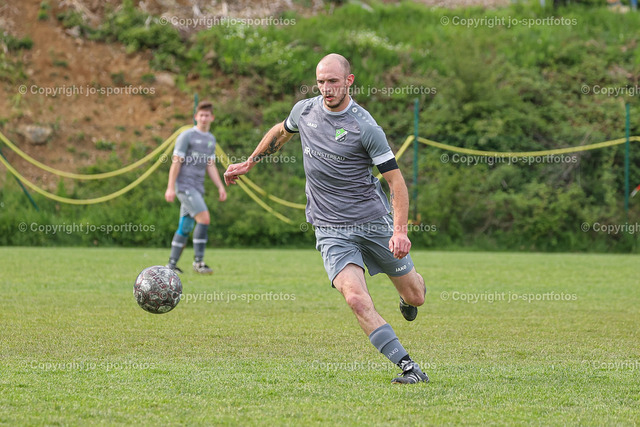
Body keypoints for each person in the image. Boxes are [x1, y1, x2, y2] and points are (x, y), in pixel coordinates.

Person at [224, 54, 428, 384]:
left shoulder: (365, 127)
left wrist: (400, 231)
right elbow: (281, 131)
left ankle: (409, 296)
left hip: (373, 221)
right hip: (330, 228)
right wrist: (250, 162)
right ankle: (408, 366)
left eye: (333, 81)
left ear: (349, 81)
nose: (326, 88)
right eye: (320, 82)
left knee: (415, 295)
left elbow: (396, 182)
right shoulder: (304, 111)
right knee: (356, 299)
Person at [165, 100, 227, 274]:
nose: (204, 118)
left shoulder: (211, 139)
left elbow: (210, 165)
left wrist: (220, 187)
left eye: (207, 115)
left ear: (212, 118)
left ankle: (171, 266)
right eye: (201, 115)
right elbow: (176, 162)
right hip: (185, 186)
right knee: (204, 219)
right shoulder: (187, 136)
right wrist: (170, 187)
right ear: (195, 117)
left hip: (198, 188)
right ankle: (199, 263)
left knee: (185, 227)